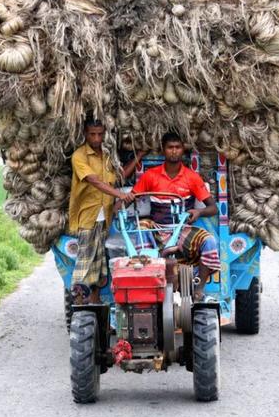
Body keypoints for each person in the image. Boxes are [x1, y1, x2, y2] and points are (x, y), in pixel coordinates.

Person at [116, 132, 220, 301]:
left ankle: (199, 288)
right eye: (170, 148)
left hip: (182, 229)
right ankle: (146, 281)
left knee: (209, 242)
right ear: (164, 150)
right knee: (141, 227)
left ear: (182, 150)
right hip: (156, 227)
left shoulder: (191, 177)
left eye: (177, 147)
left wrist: (199, 212)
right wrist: (122, 203)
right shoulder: (151, 175)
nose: (174, 151)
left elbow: (213, 208)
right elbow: (126, 202)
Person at [69, 117, 145, 304]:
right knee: (85, 260)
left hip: (106, 217)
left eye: (100, 134)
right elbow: (94, 181)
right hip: (88, 216)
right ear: (85, 134)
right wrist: (119, 195)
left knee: (99, 262)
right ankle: (79, 304)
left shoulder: (107, 156)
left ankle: (95, 305)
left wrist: (141, 154)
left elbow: (119, 177)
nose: (96, 138)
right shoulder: (79, 156)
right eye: (92, 134)